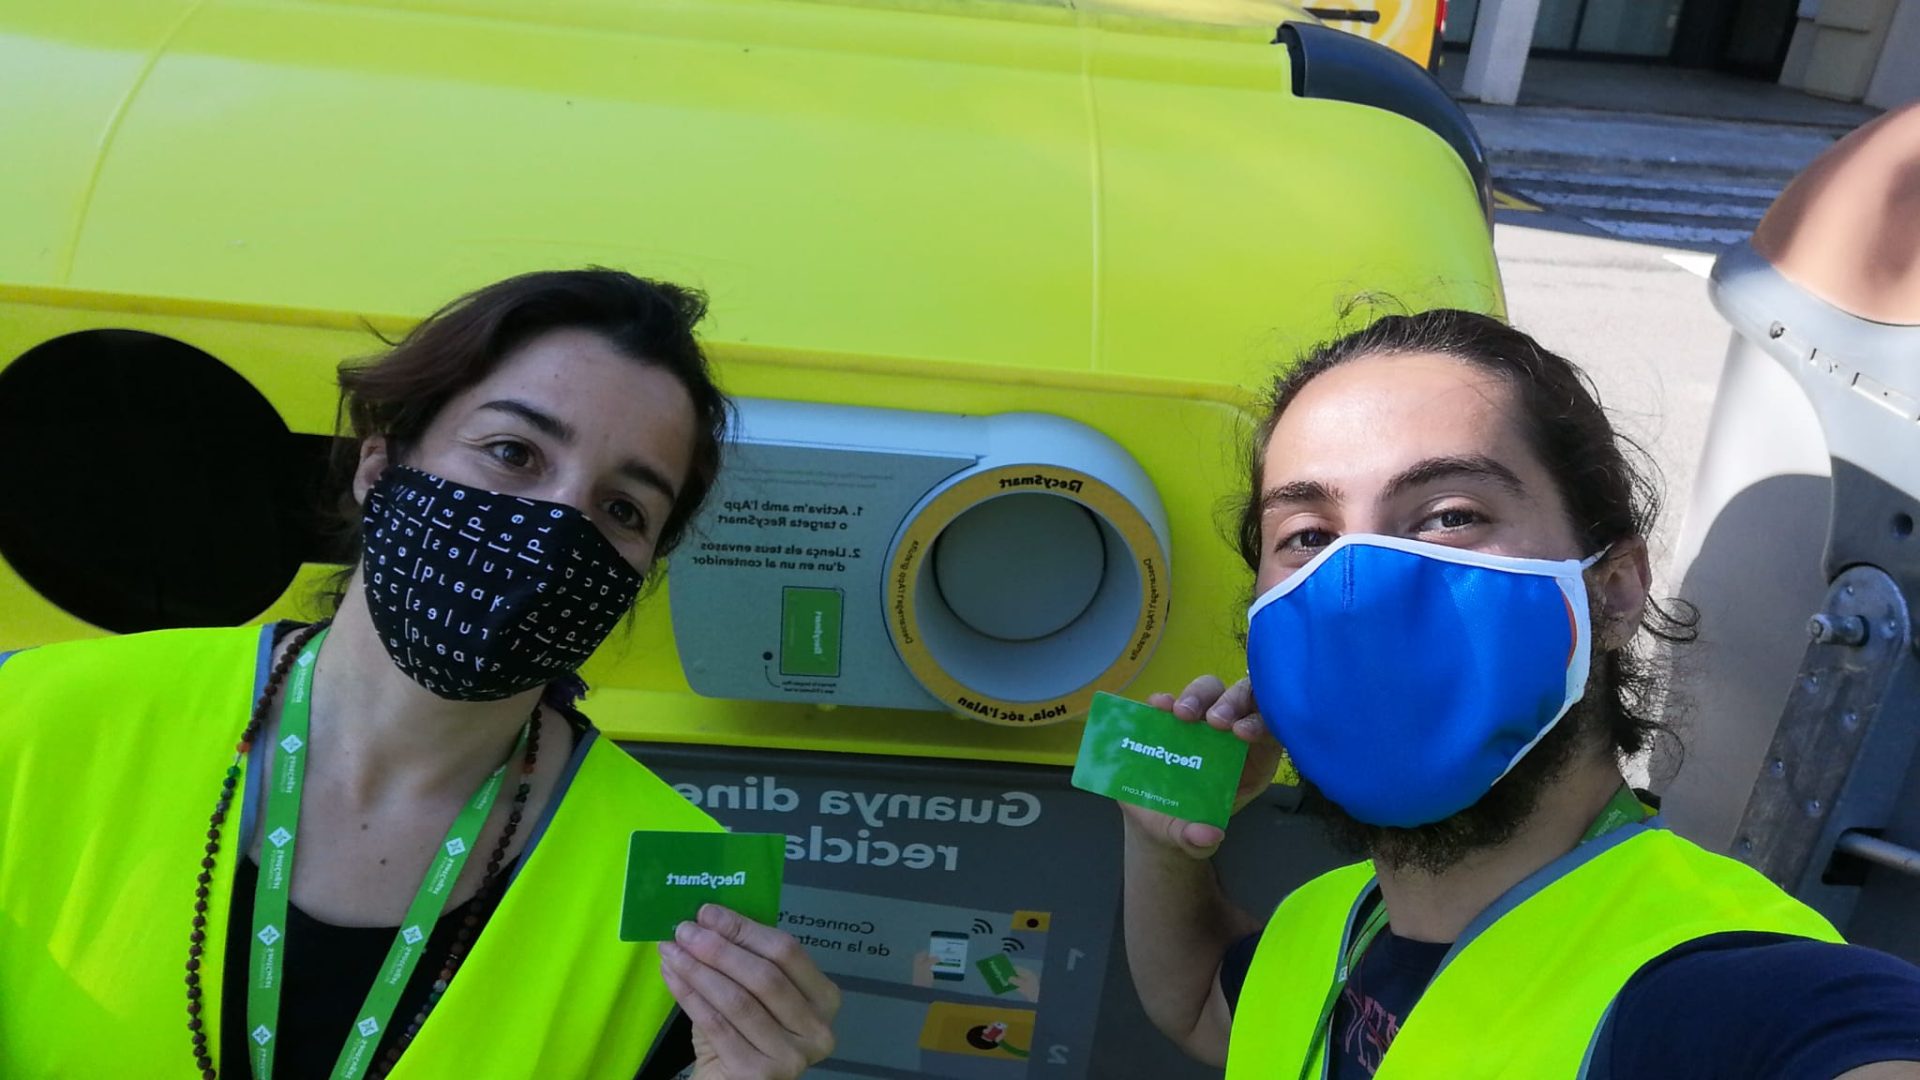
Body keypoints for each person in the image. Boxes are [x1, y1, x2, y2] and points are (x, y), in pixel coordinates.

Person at [0, 269, 839, 1079]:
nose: (555, 523)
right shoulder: (33, 714)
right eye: (512, 452)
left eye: (623, 509)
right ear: (379, 465)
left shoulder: (677, 888)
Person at [1121, 308, 1920, 1078]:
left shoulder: (1720, 986)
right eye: (1307, 536)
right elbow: (1198, 1005)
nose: (1359, 586)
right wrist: (1167, 842)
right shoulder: (1326, 924)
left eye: (1448, 516)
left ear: (1614, 591)